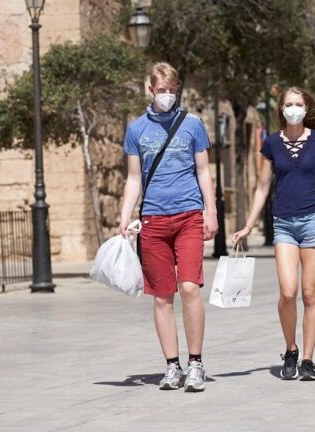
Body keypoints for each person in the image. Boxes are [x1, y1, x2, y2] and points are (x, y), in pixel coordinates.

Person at [232, 87, 315, 381]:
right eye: (289, 104)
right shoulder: (271, 144)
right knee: (288, 293)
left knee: (310, 295)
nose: (293, 108)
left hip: (313, 224)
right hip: (283, 224)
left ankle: (308, 359)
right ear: (281, 109)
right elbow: (262, 188)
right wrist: (248, 225)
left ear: (305, 108)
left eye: (298, 104)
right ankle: (291, 349)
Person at [119, 62, 218, 392]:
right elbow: (134, 178)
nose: (166, 95)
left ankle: (196, 363)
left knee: (189, 287)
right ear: (151, 89)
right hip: (153, 219)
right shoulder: (136, 130)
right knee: (162, 296)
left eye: (171, 90)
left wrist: (211, 212)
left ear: (178, 90)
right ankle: (172, 366)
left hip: (188, 215)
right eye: (160, 90)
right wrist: (125, 216)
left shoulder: (192, 125)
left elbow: (203, 171)